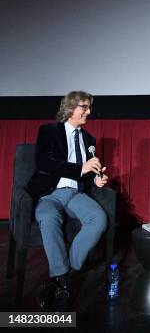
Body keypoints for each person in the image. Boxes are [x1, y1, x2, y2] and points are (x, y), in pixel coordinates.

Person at [26, 91, 109, 310]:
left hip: (75, 193)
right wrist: (80, 168)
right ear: (71, 107)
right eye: (85, 107)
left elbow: (87, 174)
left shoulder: (88, 139)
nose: (88, 112)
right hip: (50, 193)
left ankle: (63, 273)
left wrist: (96, 180)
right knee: (47, 216)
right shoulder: (49, 131)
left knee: (98, 219)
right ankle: (62, 279)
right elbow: (44, 162)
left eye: (89, 107)